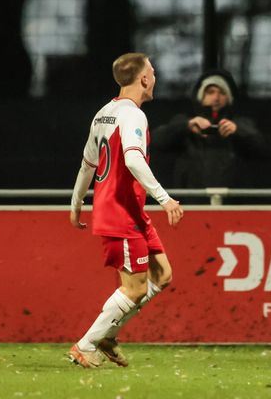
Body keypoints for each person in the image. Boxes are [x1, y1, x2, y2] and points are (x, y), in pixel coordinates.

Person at [68, 52, 184, 368]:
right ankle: (86, 344)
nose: (155, 78)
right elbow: (133, 159)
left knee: (163, 275)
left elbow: (88, 163)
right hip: (120, 211)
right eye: (154, 72)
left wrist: (76, 204)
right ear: (144, 78)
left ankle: (107, 334)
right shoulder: (133, 115)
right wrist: (165, 199)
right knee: (133, 288)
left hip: (130, 211)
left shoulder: (104, 113)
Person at [150, 69, 271, 189]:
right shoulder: (185, 122)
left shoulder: (242, 123)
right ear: (201, 96)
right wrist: (186, 125)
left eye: (222, 92)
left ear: (229, 98)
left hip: (232, 201)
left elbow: (266, 149)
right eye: (210, 92)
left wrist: (239, 130)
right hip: (193, 200)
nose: (216, 97)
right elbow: (156, 140)